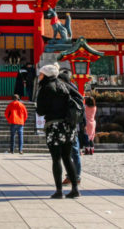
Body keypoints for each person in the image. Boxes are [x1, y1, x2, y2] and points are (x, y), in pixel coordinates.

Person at [35, 63, 79, 199]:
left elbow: (40, 111)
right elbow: (78, 99)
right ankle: (75, 189)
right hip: (68, 126)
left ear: (46, 75)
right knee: (67, 157)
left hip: (54, 126)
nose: (39, 76)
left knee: (56, 158)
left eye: (41, 74)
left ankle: (59, 190)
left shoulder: (45, 88)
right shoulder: (66, 85)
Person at [58, 69, 83, 186]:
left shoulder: (68, 92)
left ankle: (75, 176)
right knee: (69, 153)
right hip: (71, 124)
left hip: (70, 125)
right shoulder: (73, 91)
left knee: (72, 152)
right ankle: (72, 175)